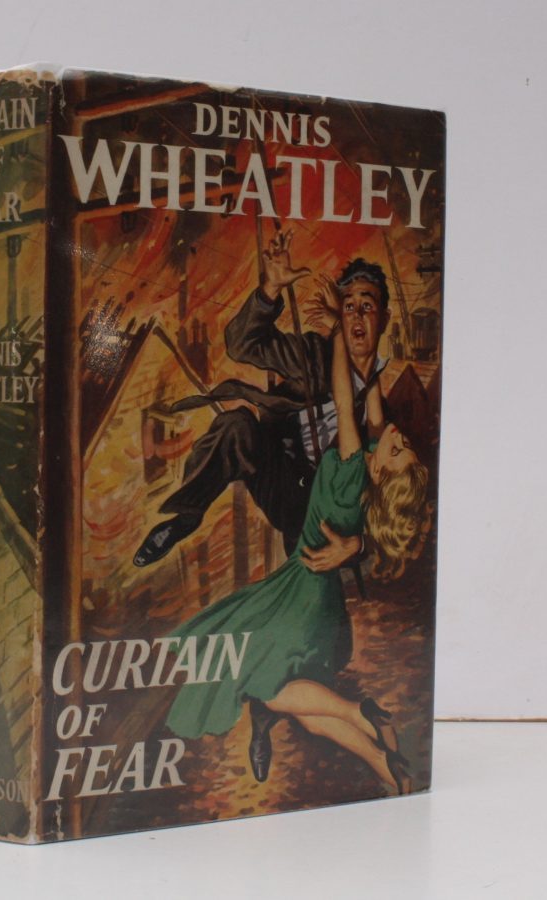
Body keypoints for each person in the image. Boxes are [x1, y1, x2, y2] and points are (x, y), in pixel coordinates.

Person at [163, 288, 430, 793]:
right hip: (306, 561)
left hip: (307, 579)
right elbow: (370, 401)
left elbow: (352, 403)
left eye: (399, 450)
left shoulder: (354, 463)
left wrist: (341, 337)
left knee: (263, 680)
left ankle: (358, 712)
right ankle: (384, 764)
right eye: (349, 309)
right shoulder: (369, 461)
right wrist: (331, 327)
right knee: (303, 704)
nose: (399, 439)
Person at [133, 230, 391, 570]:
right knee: (236, 425)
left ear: (384, 319)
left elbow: (393, 495)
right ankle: (186, 517)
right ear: (339, 316)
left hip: (331, 512)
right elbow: (243, 344)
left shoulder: (383, 405)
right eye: (349, 307)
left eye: (367, 306)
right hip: (286, 482)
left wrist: (358, 545)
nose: (356, 315)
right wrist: (270, 291)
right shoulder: (314, 357)